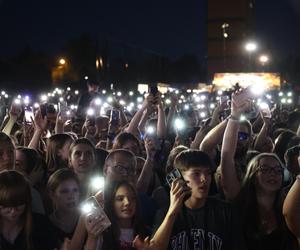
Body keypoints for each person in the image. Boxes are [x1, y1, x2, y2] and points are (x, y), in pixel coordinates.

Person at [138, 150, 242, 250]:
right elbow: (156, 248)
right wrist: (173, 211)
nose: (204, 179)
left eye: (208, 173)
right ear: (179, 178)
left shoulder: (225, 211)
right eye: (196, 173)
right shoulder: (164, 214)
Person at [0, 170, 58, 250]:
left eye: (19, 204)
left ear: (26, 201)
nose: (13, 211)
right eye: (5, 206)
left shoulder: (41, 224)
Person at [85, 181, 148, 250]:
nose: (127, 203)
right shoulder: (103, 234)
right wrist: (92, 237)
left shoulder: (144, 233)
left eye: (132, 198)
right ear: (112, 203)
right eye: (120, 199)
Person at [47, 168, 81, 248]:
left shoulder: (87, 220)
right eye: (65, 191)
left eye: (75, 190)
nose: (71, 196)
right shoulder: (46, 225)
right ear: (52, 195)